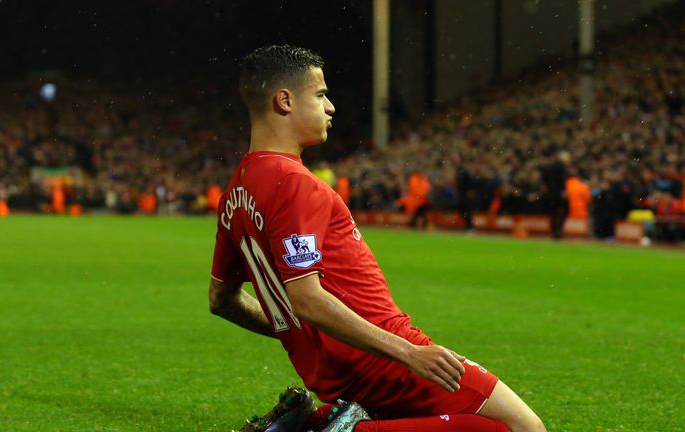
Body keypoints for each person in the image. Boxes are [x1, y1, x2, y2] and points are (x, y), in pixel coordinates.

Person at [208, 45, 545, 432]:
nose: (330, 107)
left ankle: (311, 422)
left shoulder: (236, 191)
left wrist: (296, 334)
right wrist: (409, 353)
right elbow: (307, 298)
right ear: (284, 101)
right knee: (523, 427)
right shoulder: (293, 183)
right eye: (320, 95)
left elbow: (222, 300)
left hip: (336, 373)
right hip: (382, 357)